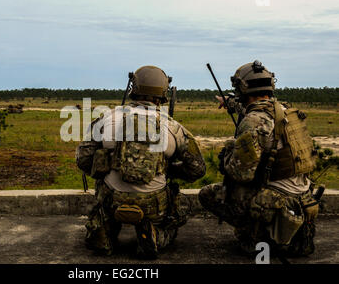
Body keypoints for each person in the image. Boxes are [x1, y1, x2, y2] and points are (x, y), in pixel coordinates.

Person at [76, 65, 206, 259]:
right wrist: (168, 170)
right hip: (154, 204)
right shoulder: (173, 127)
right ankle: (155, 235)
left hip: (113, 200)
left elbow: (83, 159)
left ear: (133, 89)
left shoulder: (107, 118)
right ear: (163, 93)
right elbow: (197, 169)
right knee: (178, 212)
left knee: (103, 184)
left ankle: (104, 232)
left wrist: (105, 169)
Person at [199, 60, 319, 256]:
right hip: (301, 200)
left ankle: (256, 235)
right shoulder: (285, 112)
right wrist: (229, 102)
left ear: (242, 88)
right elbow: (254, 109)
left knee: (209, 194)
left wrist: (227, 157)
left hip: (275, 201)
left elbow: (242, 174)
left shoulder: (253, 122)